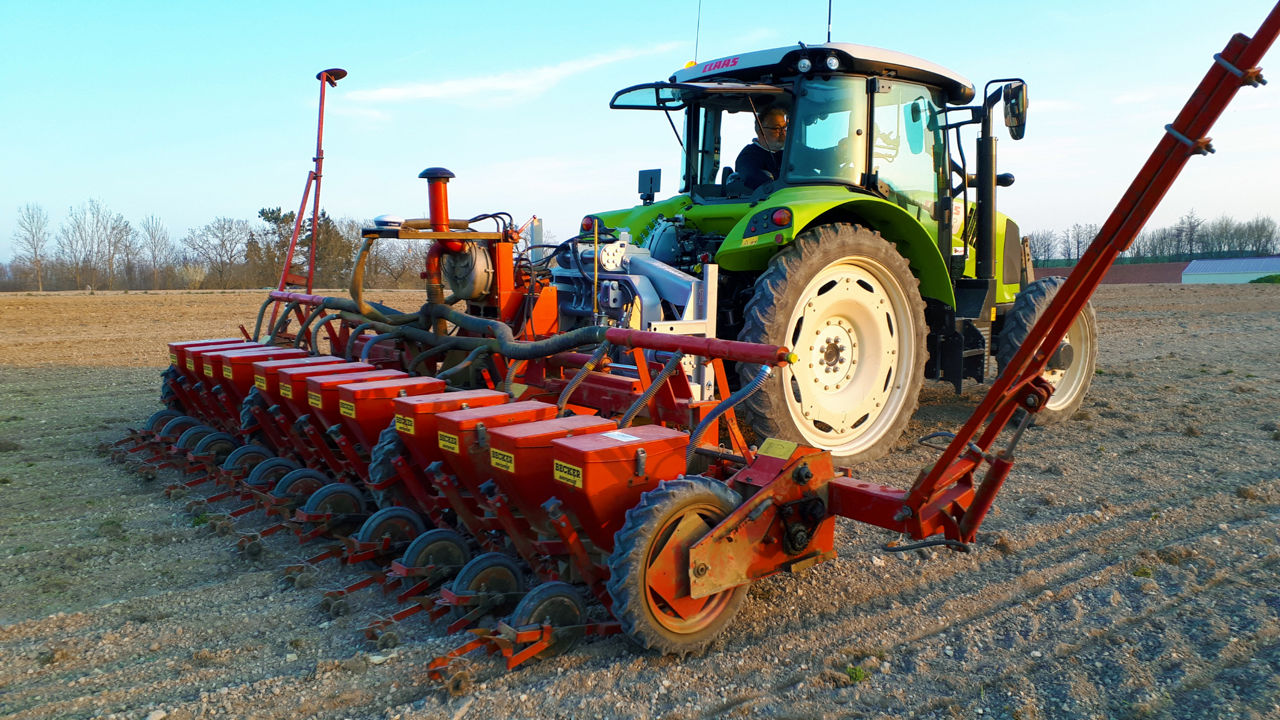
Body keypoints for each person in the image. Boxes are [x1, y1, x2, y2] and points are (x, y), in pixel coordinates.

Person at [734, 107, 787, 190]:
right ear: (760, 131)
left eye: (784, 128)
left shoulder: (791, 153)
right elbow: (751, 176)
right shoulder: (748, 156)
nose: (783, 132)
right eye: (777, 128)